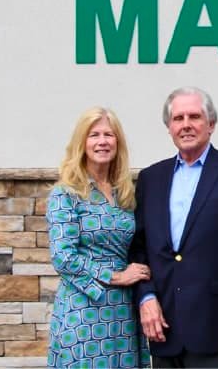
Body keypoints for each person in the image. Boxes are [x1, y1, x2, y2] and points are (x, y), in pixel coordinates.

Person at [130, 87, 218, 369]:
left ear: (211, 124)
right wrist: (146, 296)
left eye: (195, 116)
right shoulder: (150, 179)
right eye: (178, 118)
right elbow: (139, 248)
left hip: (216, 333)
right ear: (169, 127)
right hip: (163, 331)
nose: (186, 124)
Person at [46, 107, 152, 368]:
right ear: (82, 143)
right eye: (94, 135)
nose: (102, 141)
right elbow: (63, 257)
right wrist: (116, 276)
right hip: (84, 310)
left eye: (109, 134)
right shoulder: (66, 194)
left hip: (122, 310)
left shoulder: (125, 194)